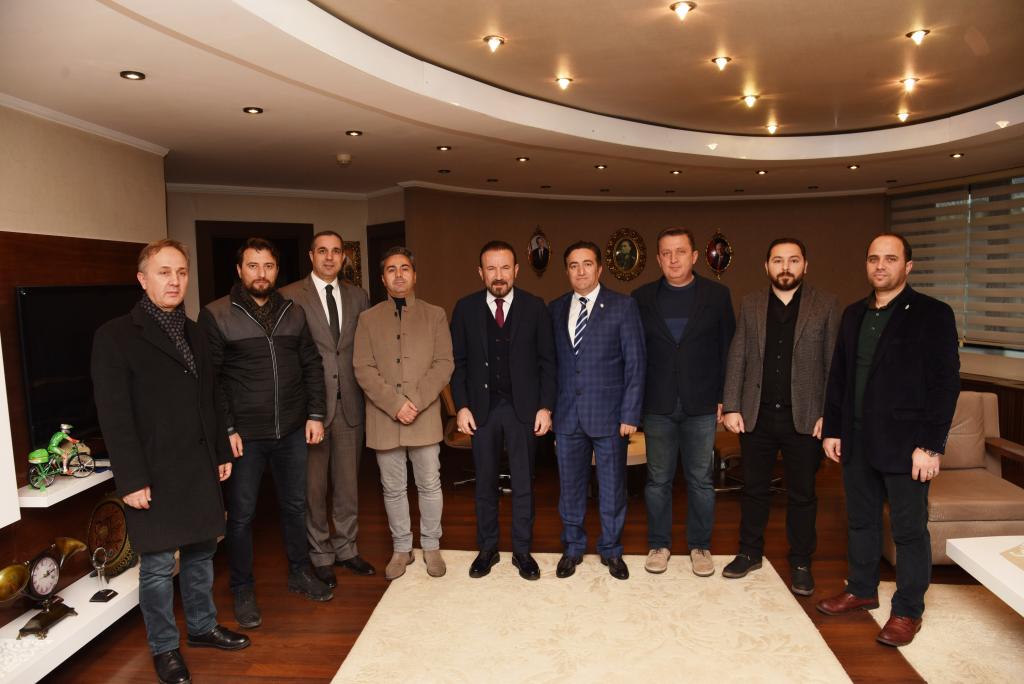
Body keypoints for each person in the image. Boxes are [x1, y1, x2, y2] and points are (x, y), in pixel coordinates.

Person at [92, 239, 249, 684]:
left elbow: (210, 397)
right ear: (143, 279)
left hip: (198, 464)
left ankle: (202, 627)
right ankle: (164, 648)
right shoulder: (115, 336)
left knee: (202, 551)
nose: (175, 281)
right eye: (164, 272)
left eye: (181, 272)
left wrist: (220, 450)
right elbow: (114, 416)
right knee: (160, 566)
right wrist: (131, 479)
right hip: (153, 472)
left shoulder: (196, 331)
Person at [816, 232, 960, 647]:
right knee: (860, 521)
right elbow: (839, 377)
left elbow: (945, 384)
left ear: (907, 266)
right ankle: (861, 589)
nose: (880, 266)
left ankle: (908, 610)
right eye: (873, 258)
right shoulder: (853, 314)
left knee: (908, 530)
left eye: (890, 259)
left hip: (907, 444)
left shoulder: (933, 314)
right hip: (856, 441)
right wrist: (834, 429)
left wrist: (930, 445)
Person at [199, 237, 331, 631]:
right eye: (253, 266)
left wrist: (315, 414)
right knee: (241, 516)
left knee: (295, 506)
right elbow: (211, 381)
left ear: (277, 270)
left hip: (291, 429)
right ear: (239, 270)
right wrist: (227, 429)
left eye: (268, 266)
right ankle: (242, 588)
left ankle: (299, 571)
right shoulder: (217, 314)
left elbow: (311, 365)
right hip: (246, 437)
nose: (261, 273)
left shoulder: (293, 311)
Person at [721, 237, 840, 595]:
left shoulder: (826, 304)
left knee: (803, 494)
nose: (785, 267)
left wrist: (829, 415)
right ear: (767, 266)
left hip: (805, 418)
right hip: (756, 415)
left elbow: (834, 365)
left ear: (805, 265)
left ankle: (801, 561)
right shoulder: (751, 303)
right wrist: (732, 405)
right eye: (777, 260)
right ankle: (749, 552)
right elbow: (738, 356)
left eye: (793, 260)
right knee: (754, 490)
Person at [631, 227, 735, 577]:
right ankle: (659, 545)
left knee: (701, 480)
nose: (673, 259)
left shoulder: (717, 296)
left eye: (680, 252)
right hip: (657, 403)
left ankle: (700, 546)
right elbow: (635, 354)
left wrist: (724, 398)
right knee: (657, 480)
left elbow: (728, 351)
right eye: (666, 253)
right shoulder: (641, 298)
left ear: (694, 256)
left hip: (701, 404)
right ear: (658, 259)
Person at [450, 240, 556, 581]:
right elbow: (458, 363)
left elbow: (547, 362)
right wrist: (461, 407)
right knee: (484, 483)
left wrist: (545, 407)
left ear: (517, 270)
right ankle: (488, 548)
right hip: (482, 409)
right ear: (480, 272)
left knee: (524, 483)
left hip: (523, 409)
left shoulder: (535, 307)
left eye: (505, 267)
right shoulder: (465, 308)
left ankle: (522, 551)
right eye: (491, 268)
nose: (499, 275)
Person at [353, 247, 454, 580]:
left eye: (405, 268)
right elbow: (362, 367)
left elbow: (444, 363)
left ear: (415, 275)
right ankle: (402, 548)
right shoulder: (368, 319)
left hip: (424, 415)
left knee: (430, 484)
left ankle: (431, 546)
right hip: (384, 417)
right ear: (383, 279)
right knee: (393, 488)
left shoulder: (435, 315)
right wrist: (395, 404)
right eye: (391, 269)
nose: (399, 275)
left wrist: (415, 401)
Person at [280, 230, 374, 588]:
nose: (330, 257)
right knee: (314, 488)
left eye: (336, 251)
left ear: (343, 257)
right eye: (323, 251)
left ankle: (347, 548)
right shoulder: (290, 296)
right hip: (311, 411)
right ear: (311, 256)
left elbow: (364, 349)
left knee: (348, 486)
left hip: (351, 404)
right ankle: (320, 553)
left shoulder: (359, 296)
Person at [549, 241, 646, 580]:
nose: (581, 271)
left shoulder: (623, 306)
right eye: (573, 265)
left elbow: (636, 363)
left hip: (610, 417)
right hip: (567, 416)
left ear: (599, 268)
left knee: (612, 488)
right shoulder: (555, 308)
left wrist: (630, 414)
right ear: (567, 271)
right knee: (570, 488)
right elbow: (551, 365)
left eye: (587, 264)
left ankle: (611, 550)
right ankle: (573, 547)